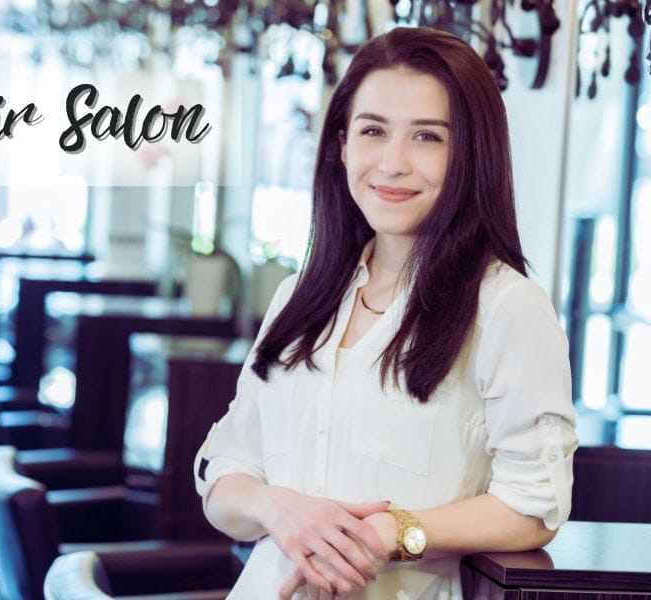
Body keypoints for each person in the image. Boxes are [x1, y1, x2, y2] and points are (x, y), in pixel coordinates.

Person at [194, 26, 578, 599]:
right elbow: (224, 472)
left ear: (471, 155)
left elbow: (537, 504)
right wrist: (280, 509)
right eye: (374, 131)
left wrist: (390, 532)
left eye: (427, 137)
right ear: (342, 145)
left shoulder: (506, 306)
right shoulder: (299, 296)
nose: (393, 163)